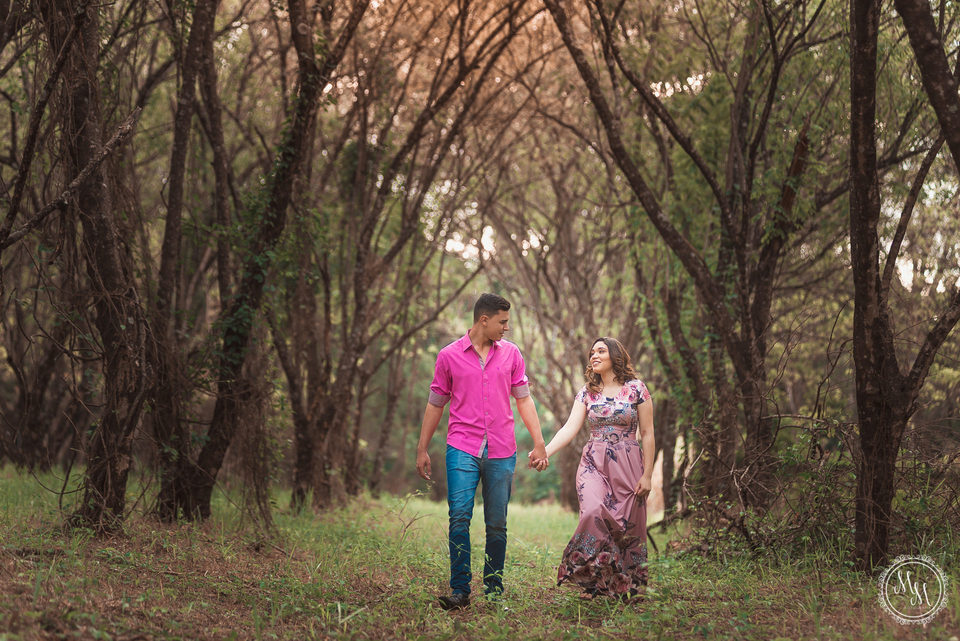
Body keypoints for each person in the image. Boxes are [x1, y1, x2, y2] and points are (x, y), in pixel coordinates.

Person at [416, 293, 548, 610]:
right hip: (461, 446)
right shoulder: (448, 356)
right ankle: (460, 590)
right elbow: (435, 404)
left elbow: (524, 399)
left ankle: (493, 590)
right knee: (459, 517)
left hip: (502, 449)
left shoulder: (512, 354)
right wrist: (422, 448)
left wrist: (539, 441)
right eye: (502, 322)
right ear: (483, 320)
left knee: (497, 523)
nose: (506, 328)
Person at [532, 336, 654, 600]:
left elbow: (648, 433)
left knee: (627, 526)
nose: (594, 356)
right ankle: (589, 577)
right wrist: (545, 451)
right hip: (594, 462)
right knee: (592, 511)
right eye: (592, 352)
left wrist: (647, 475)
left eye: (601, 351)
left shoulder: (636, 389)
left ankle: (625, 586)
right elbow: (569, 428)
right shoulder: (587, 392)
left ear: (615, 355)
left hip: (628, 463)